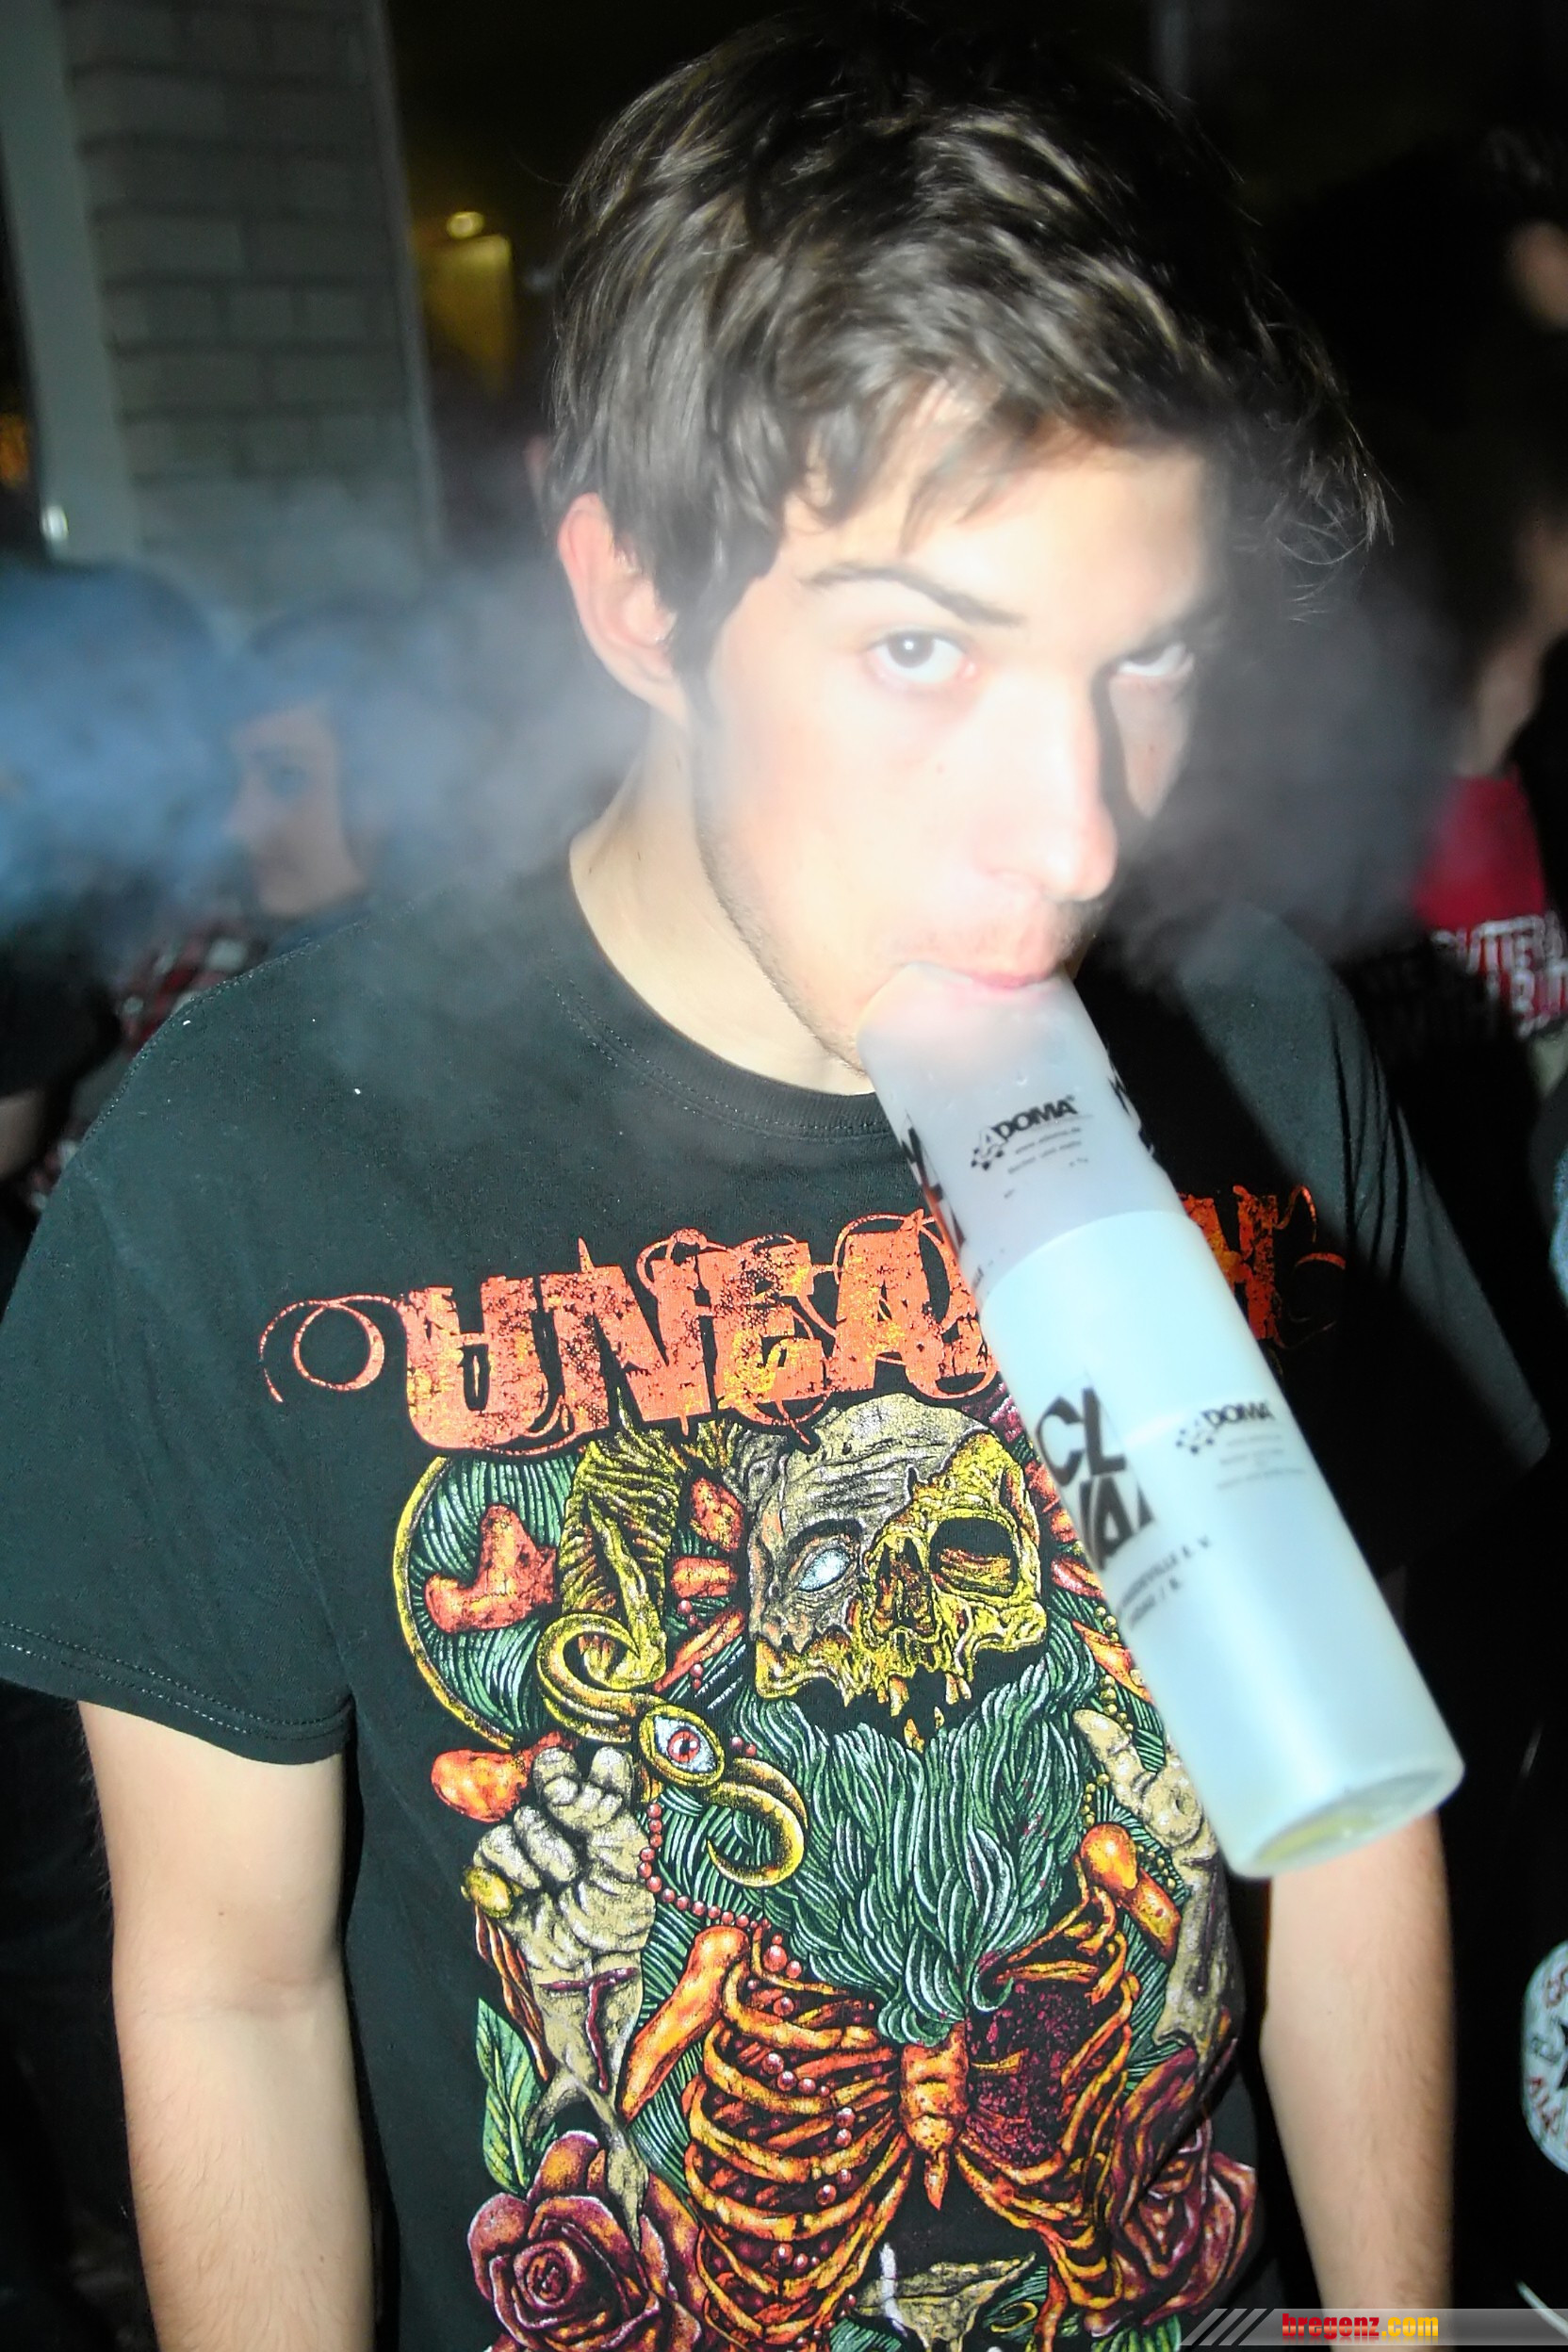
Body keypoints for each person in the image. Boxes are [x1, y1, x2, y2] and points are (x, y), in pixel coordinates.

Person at [0, 14, 1544, 2346]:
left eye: (1149, 659)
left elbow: (1342, 1821)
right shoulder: (249, 1169)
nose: (1073, 834)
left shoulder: (1249, 1045)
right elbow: (231, 1991)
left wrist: (1400, 2331)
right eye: (923, 646)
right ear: (636, 598)